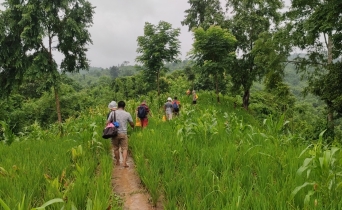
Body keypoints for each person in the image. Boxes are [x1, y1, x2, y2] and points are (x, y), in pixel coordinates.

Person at [107, 100, 134, 168]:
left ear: (118, 106)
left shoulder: (112, 113)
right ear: (124, 107)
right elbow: (131, 123)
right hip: (123, 133)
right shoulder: (127, 114)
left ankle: (118, 162)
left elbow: (107, 123)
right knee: (124, 148)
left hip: (114, 133)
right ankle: (124, 162)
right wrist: (133, 126)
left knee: (116, 148)